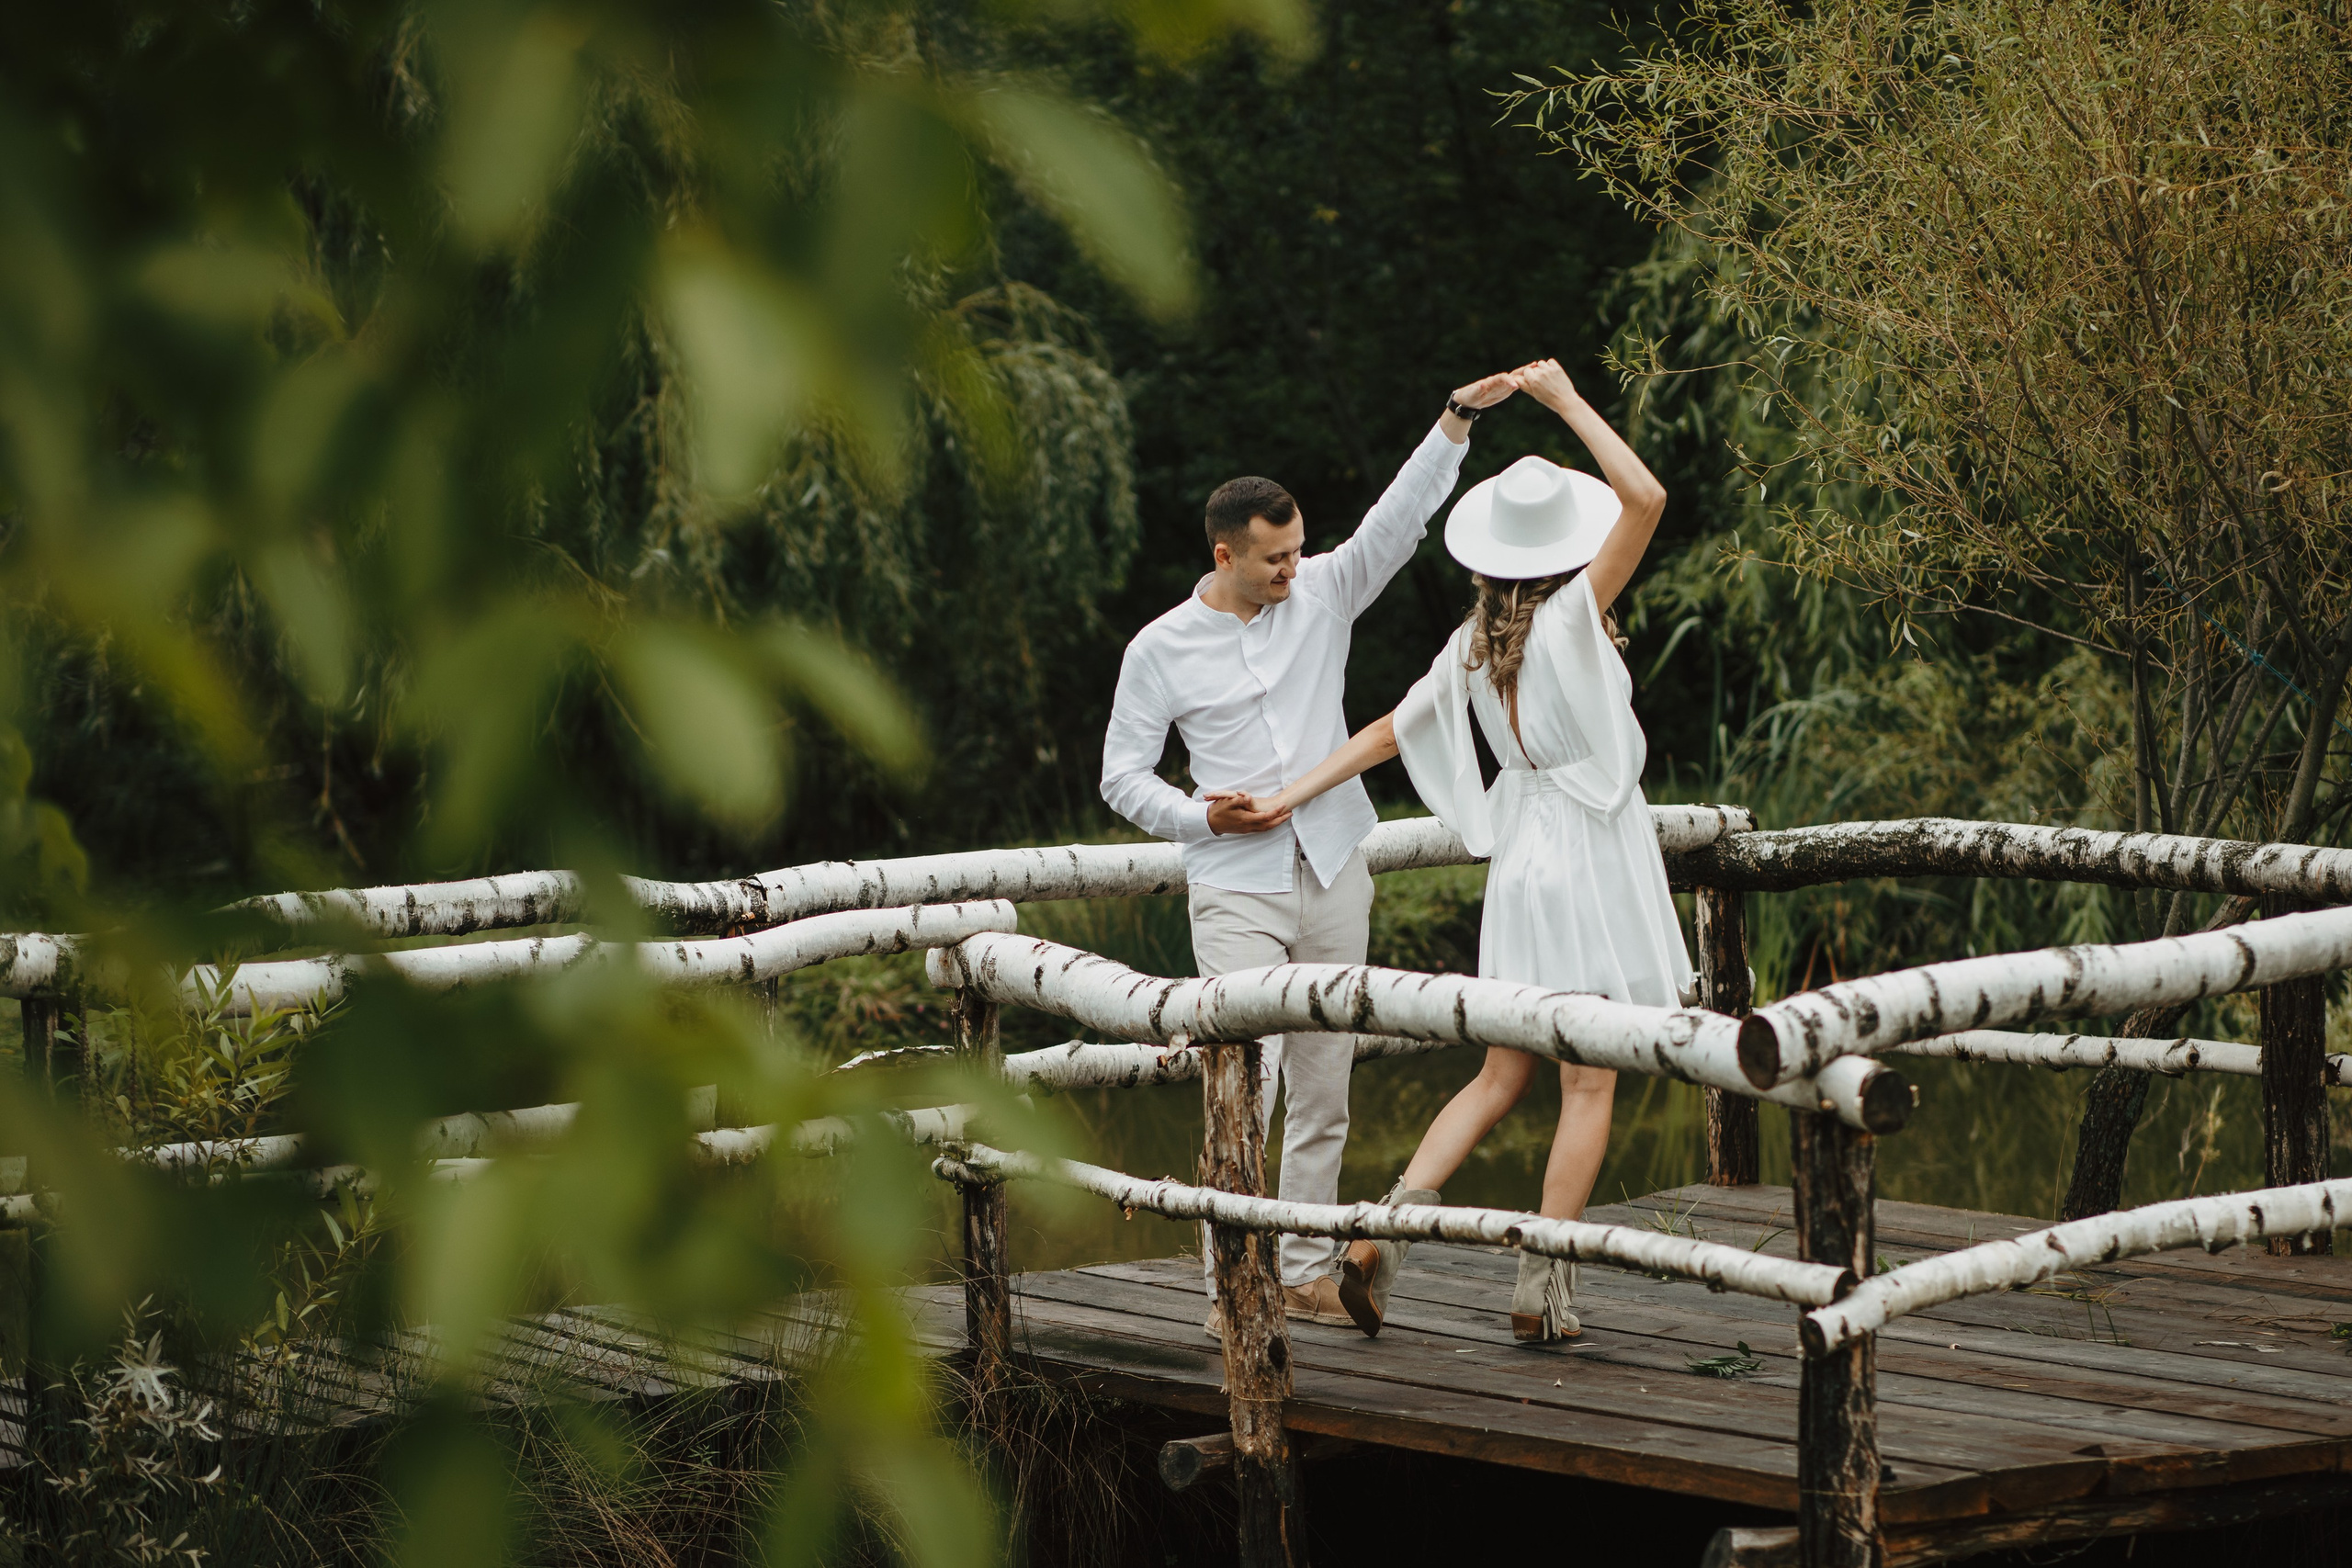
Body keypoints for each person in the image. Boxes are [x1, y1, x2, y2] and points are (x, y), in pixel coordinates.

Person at [1245, 357, 1693, 1342]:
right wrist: (1566, 401)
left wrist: (1285, 794)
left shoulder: (1475, 643)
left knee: (1500, 1075)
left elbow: (1383, 733)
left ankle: (1378, 1236)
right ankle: (1542, 1287)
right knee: (1588, 1079)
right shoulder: (1573, 614)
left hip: (1521, 853)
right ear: (1563, 547)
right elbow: (1649, 495)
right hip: (1586, 847)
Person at [1100, 369, 1521, 1338]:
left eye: (1297, 552)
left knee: (1326, 1082)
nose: (1296, 568)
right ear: (1225, 554)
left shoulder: (1325, 590)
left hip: (1334, 867)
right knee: (1245, 1086)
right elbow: (1122, 778)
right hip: (1233, 886)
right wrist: (1203, 818)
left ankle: (1302, 1272)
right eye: (1276, 559)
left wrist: (1454, 422)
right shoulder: (1158, 648)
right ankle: (1228, 1286)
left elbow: (1397, 521)